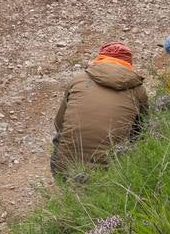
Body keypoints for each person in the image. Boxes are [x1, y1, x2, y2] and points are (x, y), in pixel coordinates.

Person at [51, 42, 148, 175]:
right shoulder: (138, 90)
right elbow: (140, 133)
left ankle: (65, 186)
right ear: (128, 66)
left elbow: (58, 123)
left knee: (59, 137)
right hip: (110, 175)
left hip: (66, 168)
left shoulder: (78, 80)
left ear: (99, 60)